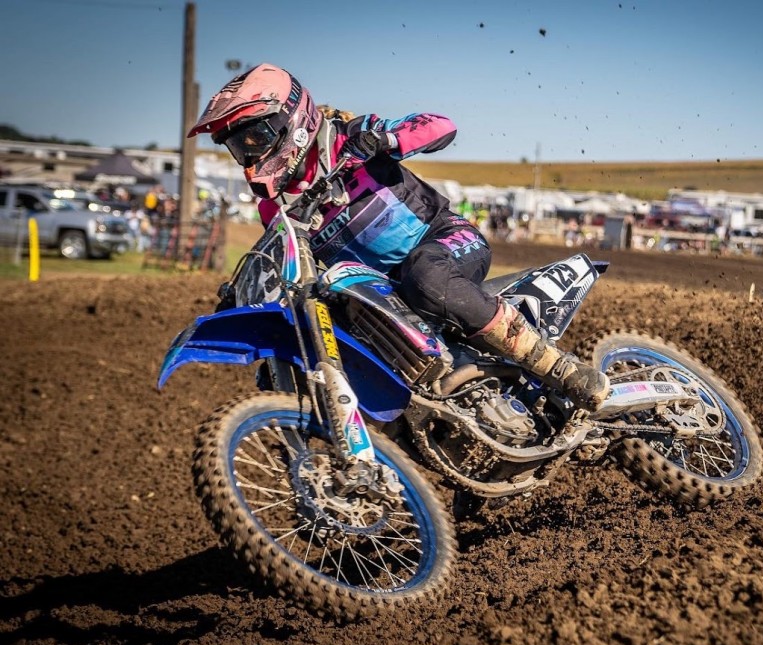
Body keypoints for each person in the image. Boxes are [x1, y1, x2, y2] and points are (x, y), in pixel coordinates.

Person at [187, 63, 609, 410]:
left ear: (291, 120)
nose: (250, 155)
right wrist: (240, 297)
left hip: (444, 240)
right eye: (239, 147)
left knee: (425, 275)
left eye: (255, 138)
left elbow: (441, 126)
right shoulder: (274, 207)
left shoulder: (348, 136)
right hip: (380, 291)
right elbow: (287, 258)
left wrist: (386, 139)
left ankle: (559, 368)